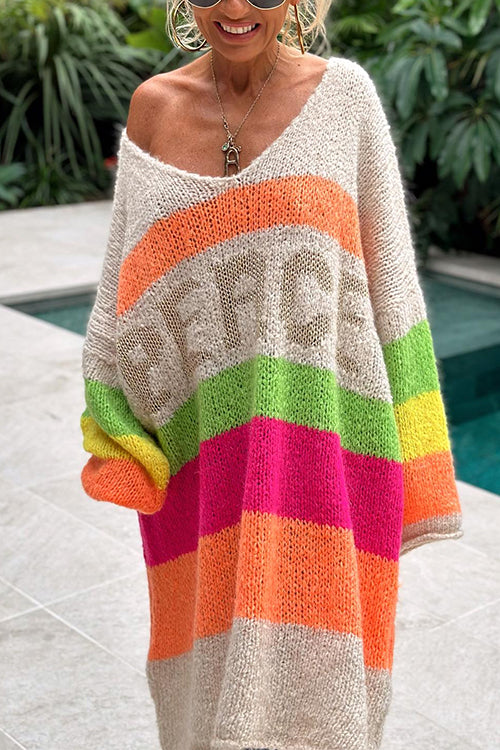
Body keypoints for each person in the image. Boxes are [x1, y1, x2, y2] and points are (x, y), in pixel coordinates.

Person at [79, 0, 464, 748]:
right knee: (202, 694)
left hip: (325, 463)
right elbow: (120, 295)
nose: (233, 8)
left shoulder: (343, 98)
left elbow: (392, 287)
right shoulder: (155, 108)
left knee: (321, 703)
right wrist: (114, 414)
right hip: (199, 465)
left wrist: (420, 460)